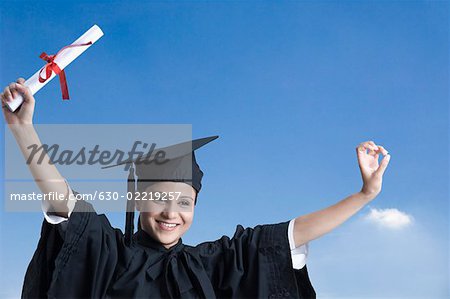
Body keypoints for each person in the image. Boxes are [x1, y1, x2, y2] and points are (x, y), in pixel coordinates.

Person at [2, 78, 391, 298]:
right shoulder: (110, 252)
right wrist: (23, 129)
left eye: (185, 202)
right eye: (160, 199)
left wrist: (364, 195)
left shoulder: (212, 262)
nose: (173, 213)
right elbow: (63, 200)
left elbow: (291, 234)